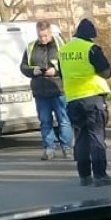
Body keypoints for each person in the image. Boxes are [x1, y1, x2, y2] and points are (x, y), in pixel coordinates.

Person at [57, 18, 111, 187]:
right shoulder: (91, 49)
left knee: (80, 137)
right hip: (92, 98)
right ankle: (100, 175)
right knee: (96, 137)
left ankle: (84, 176)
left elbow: (62, 74)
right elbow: (106, 72)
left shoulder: (63, 51)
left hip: (73, 100)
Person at [20, 21, 72, 161]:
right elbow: (23, 66)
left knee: (64, 120)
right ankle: (48, 149)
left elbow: (69, 65)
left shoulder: (61, 45)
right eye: (40, 36)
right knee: (45, 121)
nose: (43, 39)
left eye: (46, 36)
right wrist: (33, 70)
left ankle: (67, 148)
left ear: (50, 33)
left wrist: (56, 70)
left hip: (58, 88)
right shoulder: (31, 47)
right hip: (40, 90)